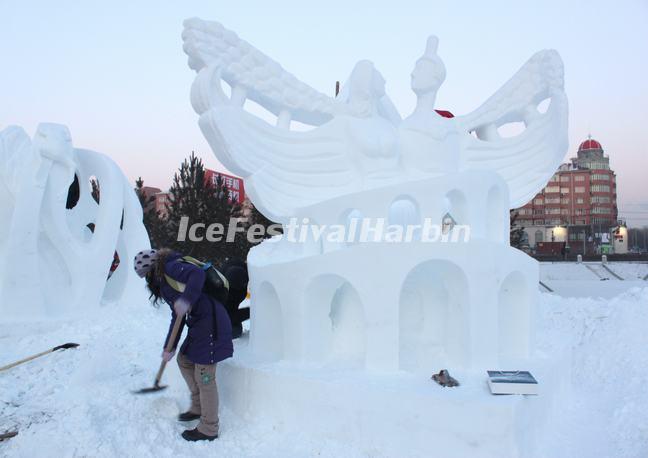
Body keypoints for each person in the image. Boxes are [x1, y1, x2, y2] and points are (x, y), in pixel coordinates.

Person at [134, 248, 233, 442]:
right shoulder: (166, 280)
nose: (148, 282)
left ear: (152, 269)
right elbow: (176, 316)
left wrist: (187, 300)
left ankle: (209, 428)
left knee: (205, 375)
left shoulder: (171, 267)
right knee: (184, 359)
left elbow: (196, 274)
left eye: (146, 276)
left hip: (212, 322)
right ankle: (198, 407)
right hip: (199, 323)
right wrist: (168, 348)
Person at [220, 258, 250, 339]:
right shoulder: (222, 294)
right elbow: (231, 316)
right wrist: (251, 311)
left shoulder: (243, 267)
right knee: (235, 332)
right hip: (221, 314)